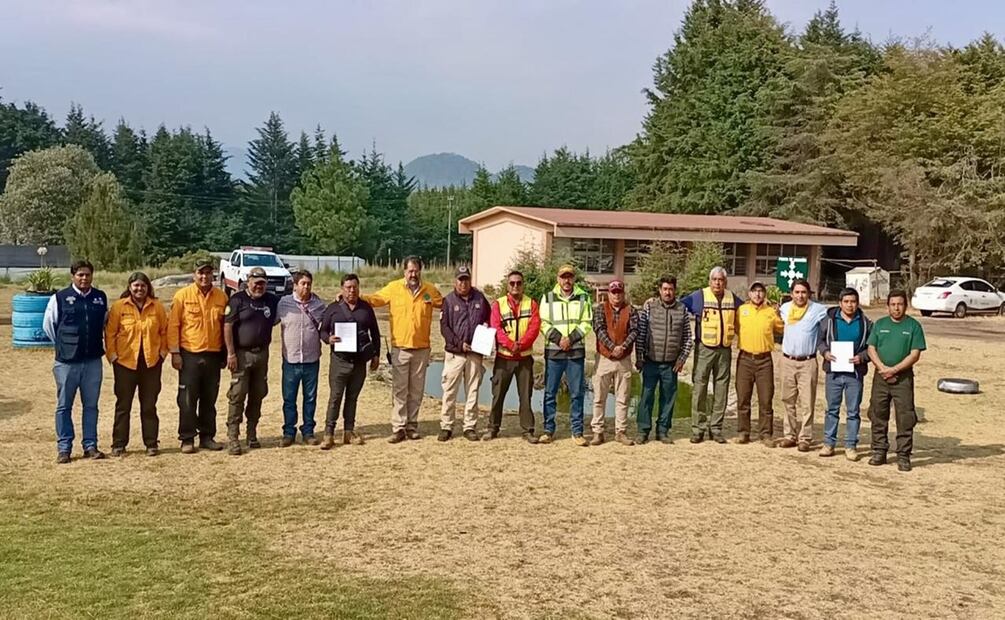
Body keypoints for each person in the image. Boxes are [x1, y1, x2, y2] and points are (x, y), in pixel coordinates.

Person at [364, 256, 443, 443]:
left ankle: (412, 426)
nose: (413, 274)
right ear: (404, 272)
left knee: (416, 390)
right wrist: (354, 296)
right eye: (410, 271)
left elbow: (449, 304)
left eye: (416, 271)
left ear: (420, 271)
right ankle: (398, 427)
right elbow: (375, 300)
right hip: (400, 348)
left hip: (422, 349)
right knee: (400, 389)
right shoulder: (393, 288)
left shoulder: (430, 291)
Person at [43, 260, 109, 463]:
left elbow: (105, 323)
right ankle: (64, 448)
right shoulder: (60, 297)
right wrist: (65, 346)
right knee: (64, 406)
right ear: (72, 276)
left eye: (87, 274)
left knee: (91, 406)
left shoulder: (100, 298)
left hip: (92, 361)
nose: (84, 278)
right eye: (80, 274)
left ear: (92, 276)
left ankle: (90, 445)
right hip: (67, 362)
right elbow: (49, 326)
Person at [104, 272, 168, 457]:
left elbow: (164, 331)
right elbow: (110, 333)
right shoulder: (118, 307)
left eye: (143, 286)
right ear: (130, 287)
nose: (139, 289)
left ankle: (151, 443)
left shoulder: (157, 307)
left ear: (148, 287)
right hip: (125, 364)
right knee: (123, 405)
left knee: (149, 405)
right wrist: (113, 356)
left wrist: (162, 354)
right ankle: (118, 444)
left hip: (151, 363)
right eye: (136, 286)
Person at [168, 258, 229, 453]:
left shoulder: (222, 297)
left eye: (208, 273)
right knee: (187, 399)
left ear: (213, 274)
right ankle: (187, 438)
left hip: (213, 355)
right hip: (189, 355)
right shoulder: (182, 296)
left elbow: (226, 326)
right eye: (201, 273)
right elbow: (173, 326)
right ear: (194, 274)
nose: (204, 276)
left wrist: (225, 354)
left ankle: (207, 437)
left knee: (209, 399)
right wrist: (175, 352)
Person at [319, 273, 381, 449]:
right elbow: (322, 330)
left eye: (354, 287)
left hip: (360, 361)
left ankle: (349, 431)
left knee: (352, 398)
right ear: (342, 289)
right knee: (335, 397)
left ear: (358, 288)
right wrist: (328, 339)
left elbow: (375, 333)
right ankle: (329, 434)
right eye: (348, 287)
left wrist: (376, 355)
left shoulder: (366, 308)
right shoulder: (333, 308)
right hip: (340, 360)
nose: (351, 290)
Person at [866, 291, 926, 472]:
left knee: (905, 417)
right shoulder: (880, 324)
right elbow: (871, 348)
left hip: (903, 378)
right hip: (881, 377)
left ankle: (903, 455)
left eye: (900, 304)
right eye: (893, 304)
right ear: (888, 306)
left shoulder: (913, 326)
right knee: (877, 413)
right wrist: (883, 368)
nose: (896, 308)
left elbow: (915, 354)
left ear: (905, 306)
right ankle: (879, 451)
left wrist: (895, 369)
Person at [223, 267, 280, 455]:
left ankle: (252, 434)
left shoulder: (271, 300)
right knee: (237, 395)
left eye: (262, 283)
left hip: (262, 355)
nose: (259, 287)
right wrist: (230, 353)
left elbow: (287, 308)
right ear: (248, 281)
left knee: (258, 394)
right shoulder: (237, 299)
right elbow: (228, 326)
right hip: (240, 355)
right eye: (256, 283)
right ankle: (233, 438)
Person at [682, 267, 742, 444]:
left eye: (721, 280)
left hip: (724, 350)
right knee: (699, 388)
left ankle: (716, 428)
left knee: (721, 390)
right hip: (704, 349)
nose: (717, 283)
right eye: (714, 279)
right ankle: (698, 429)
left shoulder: (732, 298)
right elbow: (680, 305)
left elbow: (746, 312)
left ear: (725, 282)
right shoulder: (699, 296)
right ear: (710, 281)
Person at [634, 276, 694, 445]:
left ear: (675, 290)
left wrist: (681, 359)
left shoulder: (682, 309)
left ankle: (663, 431)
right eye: (665, 289)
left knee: (668, 398)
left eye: (671, 289)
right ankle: (643, 431)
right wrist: (639, 357)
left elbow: (688, 338)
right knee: (646, 397)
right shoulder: (650, 307)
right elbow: (641, 334)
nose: (668, 292)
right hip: (650, 361)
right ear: (660, 290)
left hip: (671, 364)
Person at [539, 264, 593, 445]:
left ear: (574, 279)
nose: (566, 280)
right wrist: (558, 339)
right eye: (563, 277)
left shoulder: (584, 297)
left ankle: (577, 432)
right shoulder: (547, 298)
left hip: (575, 352)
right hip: (554, 352)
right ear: (558, 279)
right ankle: (548, 430)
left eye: (569, 277)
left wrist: (570, 339)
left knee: (577, 393)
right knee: (550, 393)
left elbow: (587, 322)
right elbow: (543, 323)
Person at [817, 287, 872, 461]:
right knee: (832, 409)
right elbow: (819, 340)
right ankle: (829, 444)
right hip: (833, 373)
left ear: (857, 303)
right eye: (846, 301)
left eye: (853, 301)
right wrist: (825, 353)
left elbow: (872, 347)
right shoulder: (829, 320)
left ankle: (850, 446)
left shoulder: (865, 322)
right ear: (840, 303)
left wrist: (862, 357)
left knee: (853, 411)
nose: (850, 305)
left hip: (854, 374)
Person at [438, 266, 491, 442]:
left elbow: (489, 320)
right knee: (449, 391)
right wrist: (460, 344)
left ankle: (469, 426)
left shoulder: (480, 298)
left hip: (475, 353)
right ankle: (446, 426)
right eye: (460, 279)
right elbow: (444, 327)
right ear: (455, 281)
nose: (463, 283)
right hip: (455, 353)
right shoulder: (448, 301)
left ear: (470, 280)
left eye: (466, 279)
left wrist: (486, 336)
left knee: (473, 391)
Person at [487, 270, 541, 443]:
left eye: (519, 283)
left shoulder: (531, 303)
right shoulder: (498, 304)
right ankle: (493, 428)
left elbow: (534, 327)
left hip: (524, 358)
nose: (515, 286)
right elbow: (495, 327)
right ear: (507, 285)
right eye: (512, 283)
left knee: (525, 397)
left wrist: (522, 344)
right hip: (504, 358)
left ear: (523, 284)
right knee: (498, 395)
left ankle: (527, 430)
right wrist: (511, 345)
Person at [777, 279, 829, 451]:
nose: (800, 296)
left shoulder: (818, 310)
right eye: (797, 292)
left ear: (809, 294)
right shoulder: (785, 309)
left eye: (803, 292)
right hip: (787, 361)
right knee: (787, 399)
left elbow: (830, 324)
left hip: (807, 362)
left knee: (807, 402)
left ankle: (805, 438)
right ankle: (789, 435)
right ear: (791, 294)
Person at [277, 270, 326, 446]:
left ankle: (308, 431)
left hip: (312, 360)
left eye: (309, 283)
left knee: (310, 398)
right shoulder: (283, 303)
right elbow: (270, 321)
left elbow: (328, 324)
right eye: (303, 283)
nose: (306, 287)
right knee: (289, 398)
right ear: (295, 285)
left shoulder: (319, 305)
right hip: (290, 360)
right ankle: (289, 432)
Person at [734, 281, 784, 447]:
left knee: (766, 398)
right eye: (754, 291)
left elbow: (782, 329)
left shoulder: (770, 312)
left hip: (764, 360)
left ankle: (765, 434)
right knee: (743, 398)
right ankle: (743, 432)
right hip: (745, 359)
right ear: (749, 294)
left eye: (760, 291)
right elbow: (734, 328)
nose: (757, 294)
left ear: (764, 294)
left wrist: (779, 313)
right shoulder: (741, 311)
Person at [590, 279, 639, 446]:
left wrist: (623, 346)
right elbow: (599, 329)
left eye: (619, 292)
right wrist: (613, 347)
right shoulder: (600, 309)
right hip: (604, 358)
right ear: (608, 294)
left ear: (623, 293)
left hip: (624, 359)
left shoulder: (631, 310)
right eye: (613, 292)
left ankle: (621, 431)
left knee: (623, 398)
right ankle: (598, 431)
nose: (616, 295)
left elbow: (634, 331)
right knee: (598, 397)